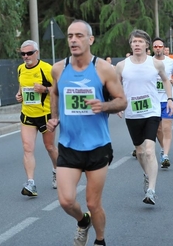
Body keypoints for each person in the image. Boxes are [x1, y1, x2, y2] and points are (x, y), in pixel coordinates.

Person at [47, 19, 127, 246]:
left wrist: (104, 106)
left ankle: (100, 240)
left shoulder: (103, 69)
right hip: (69, 144)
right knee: (66, 201)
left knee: (93, 203)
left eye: (79, 36)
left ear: (90, 40)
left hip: (97, 146)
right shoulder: (59, 68)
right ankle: (83, 222)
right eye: (70, 36)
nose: (73, 40)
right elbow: (54, 92)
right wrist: (54, 117)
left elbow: (122, 101)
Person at [115, 30, 173, 206]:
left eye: (140, 42)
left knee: (149, 150)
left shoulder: (155, 64)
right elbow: (116, 84)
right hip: (132, 113)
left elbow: (166, 80)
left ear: (146, 45)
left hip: (152, 111)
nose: (137, 44)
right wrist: (117, 102)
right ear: (130, 45)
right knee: (140, 152)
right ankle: (147, 174)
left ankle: (151, 190)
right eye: (134, 42)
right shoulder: (122, 65)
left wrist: (170, 99)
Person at [15, 40, 58, 195]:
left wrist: (45, 89)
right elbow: (21, 87)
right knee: (27, 148)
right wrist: (19, 95)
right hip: (27, 114)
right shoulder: (20, 69)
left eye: (29, 53)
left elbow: (59, 88)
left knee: (50, 147)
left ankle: (56, 170)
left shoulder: (47, 69)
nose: (26, 56)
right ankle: (31, 183)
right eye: (23, 54)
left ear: (37, 53)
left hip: (45, 115)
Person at [152, 37, 173, 168]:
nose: (158, 48)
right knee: (158, 129)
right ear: (153, 48)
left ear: (164, 48)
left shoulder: (170, 62)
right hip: (153, 101)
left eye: (160, 46)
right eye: (155, 46)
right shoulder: (148, 62)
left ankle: (165, 156)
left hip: (167, 100)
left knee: (166, 127)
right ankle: (163, 148)